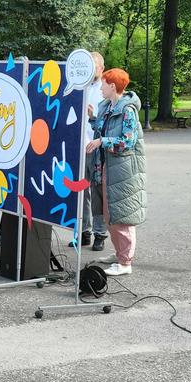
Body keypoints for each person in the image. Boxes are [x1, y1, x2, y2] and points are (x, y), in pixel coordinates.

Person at [86, 68, 146, 276]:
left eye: (103, 84)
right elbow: (103, 130)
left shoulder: (127, 110)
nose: (100, 88)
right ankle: (120, 254)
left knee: (122, 216)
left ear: (112, 86)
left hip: (121, 170)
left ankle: (125, 263)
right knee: (109, 215)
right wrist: (93, 119)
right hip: (105, 167)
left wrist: (102, 141)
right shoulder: (107, 106)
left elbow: (127, 142)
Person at [69, 51, 109, 250]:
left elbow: (109, 121)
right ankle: (83, 232)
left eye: (92, 66)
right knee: (80, 192)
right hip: (78, 145)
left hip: (95, 148)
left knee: (97, 192)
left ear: (101, 68)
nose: (88, 70)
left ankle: (100, 234)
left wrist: (95, 116)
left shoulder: (105, 89)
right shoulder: (78, 86)